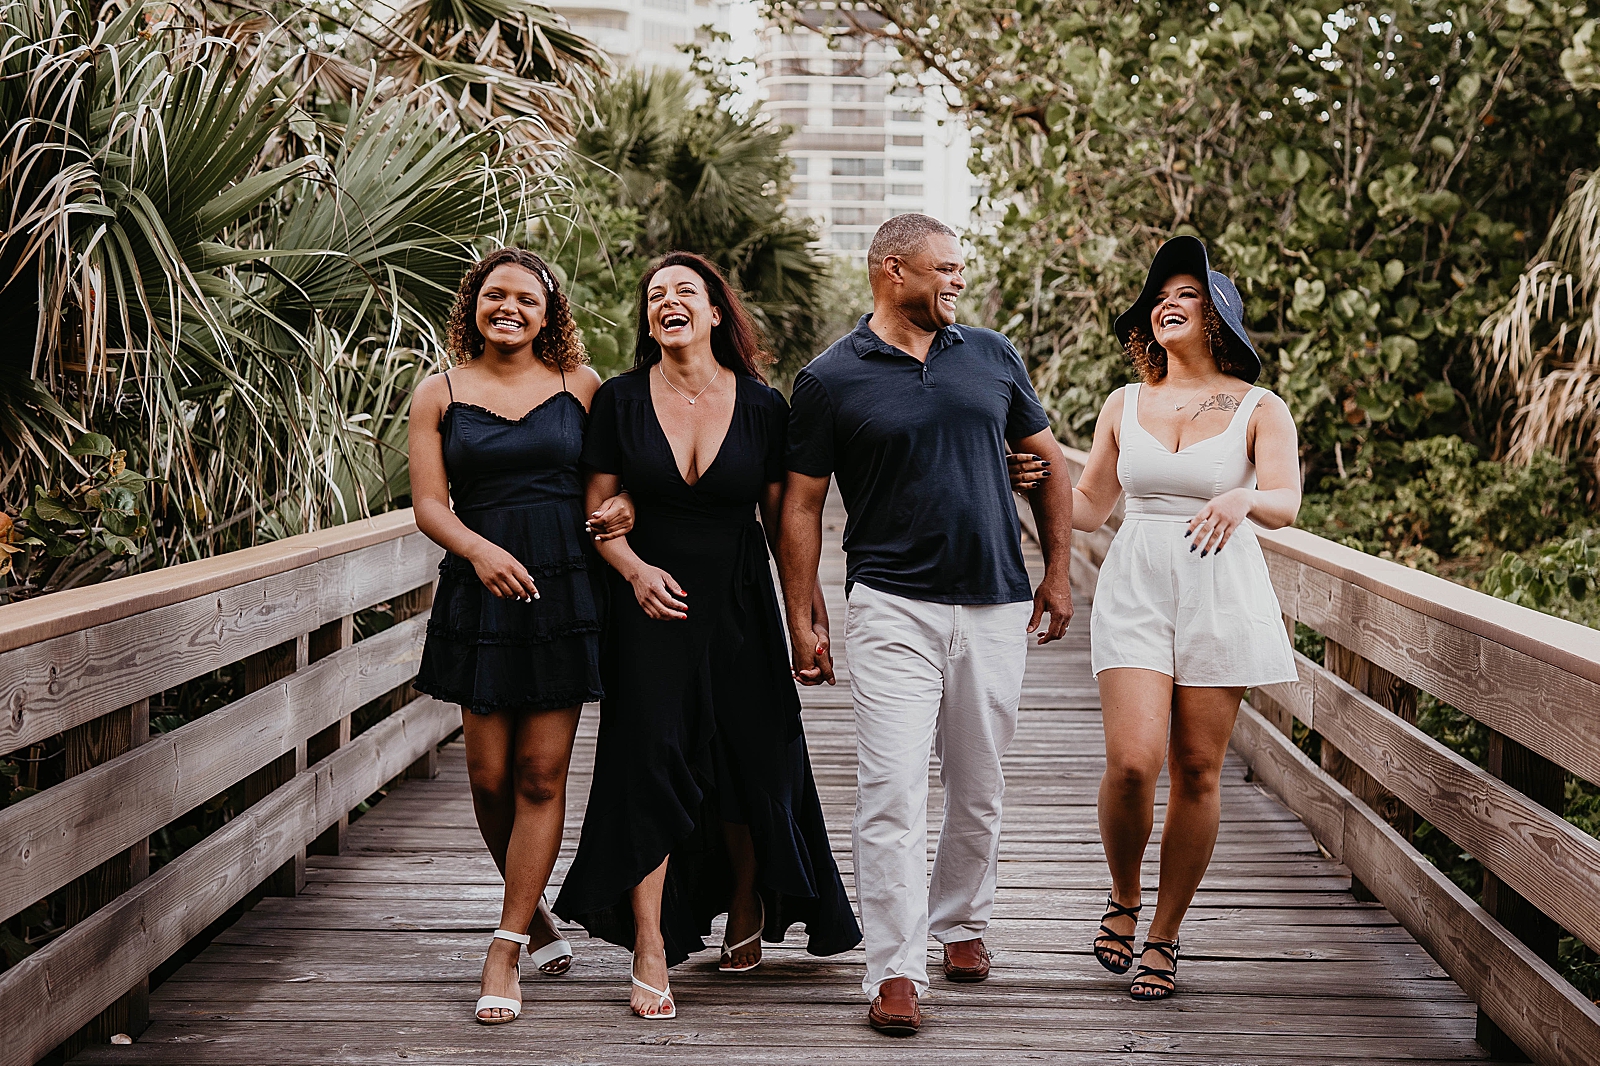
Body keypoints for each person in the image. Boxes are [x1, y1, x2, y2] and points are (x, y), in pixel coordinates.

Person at [778, 214, 1076, 1036]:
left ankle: (964, 921)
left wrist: (1056, 571)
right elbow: (801, 505)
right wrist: (803, 614)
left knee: (977, 786)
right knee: (892, 792)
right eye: (943, 268)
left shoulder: (991, 354)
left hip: (994, 598)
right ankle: (895, 969)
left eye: (960, 270)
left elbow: (1048, 464)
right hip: (890, 604)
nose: (957, 281)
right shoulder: (830, 378)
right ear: (890, 268)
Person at [553, 252, 861, 1020]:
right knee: (646, 761)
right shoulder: (619, 402)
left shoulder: (763, 405)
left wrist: (801, 617)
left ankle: (750, 897)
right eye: (655, 295)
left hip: (739, 600)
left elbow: (784, 518)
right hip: (650, 607)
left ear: (716, 312)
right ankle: (652, 943)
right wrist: (631, 568)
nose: (667, 302)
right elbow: (594, 516)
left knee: (756, 752)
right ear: (649, 319)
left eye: (684, 291)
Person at [1067, 235, 1300, 1000]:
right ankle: (1124, 896)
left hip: (1220, 586)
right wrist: (1018, 479)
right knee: (1133, 761)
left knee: (1197, 767)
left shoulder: (1260, 408)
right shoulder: (1122, 403)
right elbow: (1090, 507)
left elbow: (1286, 503)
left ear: (1218, 317)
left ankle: (1164, 934)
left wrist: (1242, 497)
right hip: (1136, 579)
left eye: (1187, 293)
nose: (1168, 302)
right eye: (1160, 295)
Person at [409, 248, 635, 1024]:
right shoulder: (437, 392)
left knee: (540, 776)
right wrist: (477, 550)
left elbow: (612, 484)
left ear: (549, 313)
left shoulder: (582, 386)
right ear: (473, 304)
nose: (509, 309)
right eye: (494, 296)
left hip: (565, 587)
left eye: (527, 300)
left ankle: (505, 943)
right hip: (482, 592)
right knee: (487, 778)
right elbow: (430, 505)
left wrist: (623, 512)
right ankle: (532, 904)